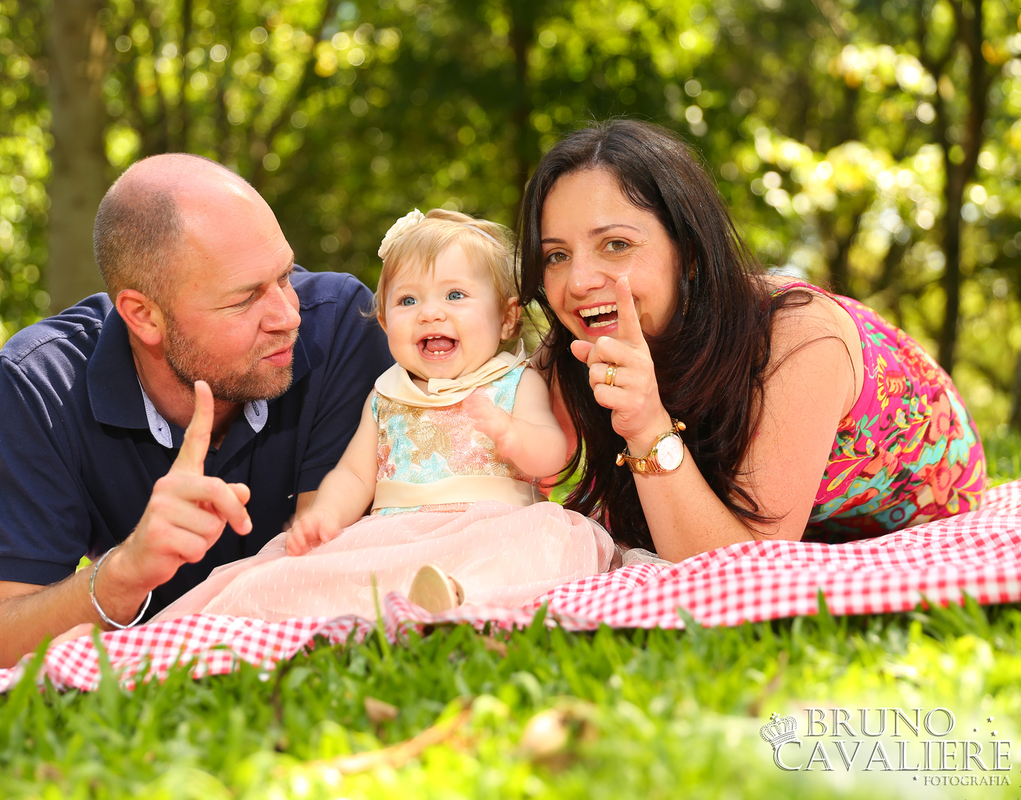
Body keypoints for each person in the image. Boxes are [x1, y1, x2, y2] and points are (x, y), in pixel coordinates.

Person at [0, 154, 393, 666]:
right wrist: (125, 573)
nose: (288, 316)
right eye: (244, 299)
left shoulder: (340, 327)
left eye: (284, 276)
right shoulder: (43, 382)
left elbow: (326, 575)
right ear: (143, 316)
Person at [515, 119, 986, 563]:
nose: (578, 282)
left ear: (690, 251)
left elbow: (742, 565)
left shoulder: (798, 338)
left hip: (927, 504)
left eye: (616, 244)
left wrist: (646, 426)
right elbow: (496, 483)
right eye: (556, 255)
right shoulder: (572, 351)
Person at [148, 209, 615, 623]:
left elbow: (552, 453)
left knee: (532, 553)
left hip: (493, 527)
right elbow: (354, 474)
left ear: (507, 318)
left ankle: (462, 601)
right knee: (316, 576)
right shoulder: (386, 394)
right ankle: (406, 608)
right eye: (408, 301)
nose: (430, 314)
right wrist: (325, 514)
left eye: (455, 295)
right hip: (397, 535)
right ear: (387, 323)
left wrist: (511, 434)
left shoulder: (512, 381)